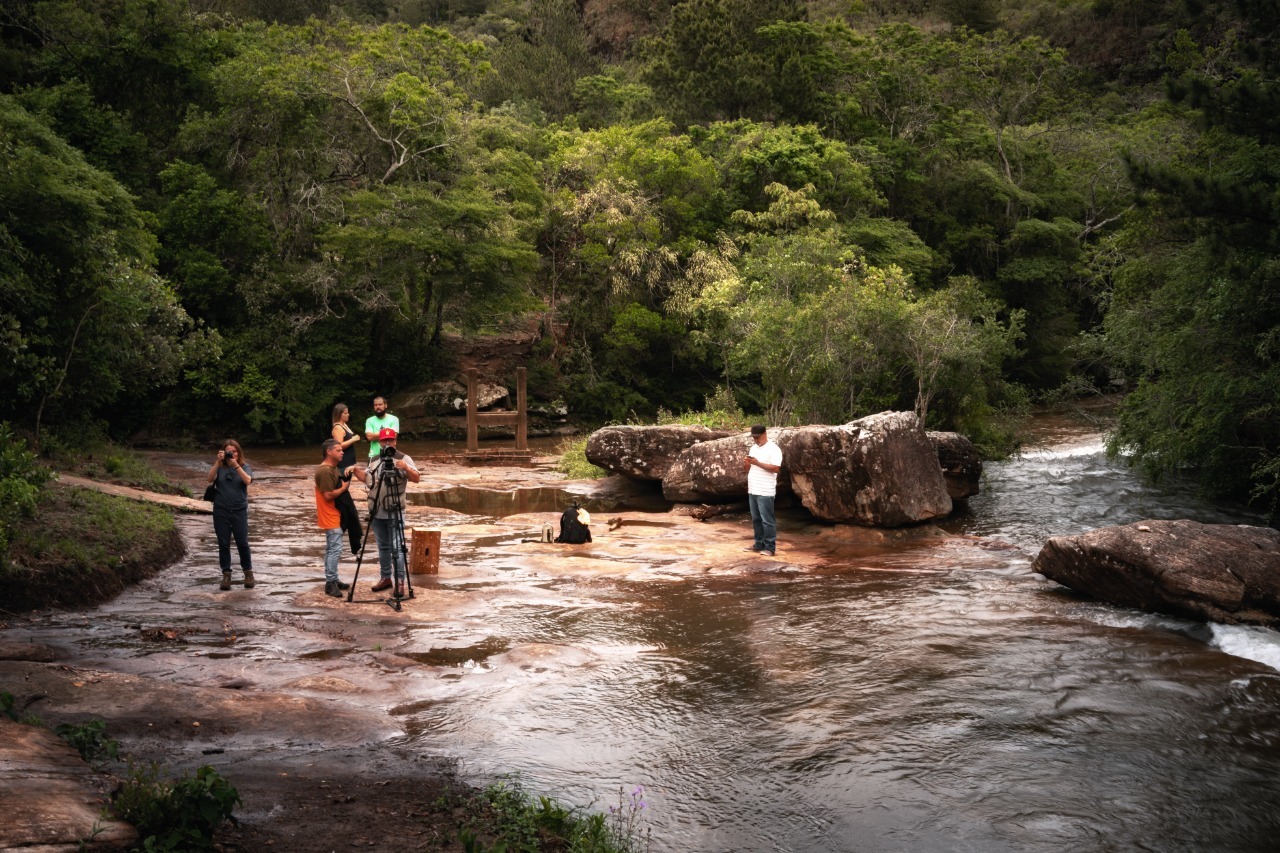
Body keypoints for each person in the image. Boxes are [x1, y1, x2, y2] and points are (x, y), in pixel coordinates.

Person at [352, 427, 420, 597]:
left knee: (397, 548)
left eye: (391, 440)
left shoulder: (404, 458)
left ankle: (400, 582)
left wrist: (405, 467)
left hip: (395, 510)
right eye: (384, 441)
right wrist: (354, 470)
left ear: (395, 441)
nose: (388, 443)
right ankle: (385, 578)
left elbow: (417, 478)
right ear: (379, 442)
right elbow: (368, 480)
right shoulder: (374, 459)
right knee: (383, 546)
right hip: (376, 510)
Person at [206, 439, 255, 590]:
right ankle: (226, 574)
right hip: (221, 510)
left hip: (239, 510)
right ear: (223, 452)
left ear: (239, 453)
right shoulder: (220, 467)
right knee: (223, 543)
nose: (231, 454)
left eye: (234, 451)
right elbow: (209, 479)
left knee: (242, 543)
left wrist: (236, 466)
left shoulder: (245, 467)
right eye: (228, 451)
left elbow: (247, 481)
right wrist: (217, 462)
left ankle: (248, 573)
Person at [315, 438, 357, 598]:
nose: (342, 452)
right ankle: (330, 583)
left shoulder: (332, 468)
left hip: (333, 514)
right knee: (335, 549)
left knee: (332, 549)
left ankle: (333, 579)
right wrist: (345, 487)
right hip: (330, 514)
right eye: (339, 450)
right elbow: (327, 496)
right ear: (329, 452)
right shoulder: (325, 471)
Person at [743, 424, 782, 557]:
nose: (755, 440)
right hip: (753, 488)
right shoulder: (753, 448)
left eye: (757, 437)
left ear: (765, 434)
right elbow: (747, 469)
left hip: (765, 490)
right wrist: (747, 463)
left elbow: (776, 468)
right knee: (756, 519)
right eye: (753, 437)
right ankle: (758, 544)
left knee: (767, 520)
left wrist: (757, 463)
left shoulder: (774, 449)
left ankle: (770, 548)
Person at [329, 403, 363, 553]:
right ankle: (344, 523)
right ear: (340, 414)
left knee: (345, 493)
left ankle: (345, 523)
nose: (348, 415)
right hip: (343, 466)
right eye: (346, 413)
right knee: (343, 494)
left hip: (348, 465)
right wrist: (354, 439)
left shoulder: (344, 425)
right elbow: (339, 446)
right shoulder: (338, 427)